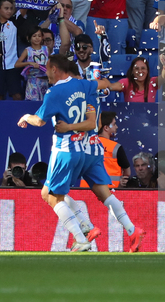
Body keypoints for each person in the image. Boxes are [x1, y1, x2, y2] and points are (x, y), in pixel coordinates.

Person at [16, 54, 105, 252]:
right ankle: (85, 226)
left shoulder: (54, 92)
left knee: (54, 197)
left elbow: (39, 121)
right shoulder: (81, 87)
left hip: (64, 149)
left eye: (47, 69)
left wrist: (25, 116)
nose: (46, 73)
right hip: (80, 148)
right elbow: (104, 85)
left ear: (54, 69)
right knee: (47, 193)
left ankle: (82, 236)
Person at [54, 86, 147, 252]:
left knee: (56, 192)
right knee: (105, 195)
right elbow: (114, 86)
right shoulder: (91, 95)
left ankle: (86, 227)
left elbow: (90, 123)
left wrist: (67, 127)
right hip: (93, 151)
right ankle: (132, 230)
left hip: (80, 149)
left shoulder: (78, 96)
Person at [15, 26, 49, 101]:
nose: (37, 38)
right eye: (34, 36)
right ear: (28, 38)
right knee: (33, 104)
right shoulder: (28, 50)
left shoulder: (45, 49)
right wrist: (30, 63)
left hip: (45, 82)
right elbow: (17, 64)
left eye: (39, 36)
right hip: (33, 82)